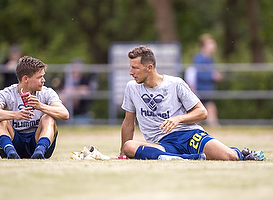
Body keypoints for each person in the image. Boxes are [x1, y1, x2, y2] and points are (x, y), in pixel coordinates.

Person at [119, 45, 265, 161]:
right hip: (161, 144)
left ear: (149, 68)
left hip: (188, 135)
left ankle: (241, 153)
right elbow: (128, 123)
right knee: (129, 146)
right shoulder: (132, 88)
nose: (131, 72)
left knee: (230, 157)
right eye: (131, 67)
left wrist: (178, 119)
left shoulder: (175, 83)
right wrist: (122, 154)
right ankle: (188, 158)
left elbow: (202, 112)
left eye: (135, 68)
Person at [0, 56, 69, 159]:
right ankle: (10, 152)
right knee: (0, 119)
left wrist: (40, 106)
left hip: (36, 140)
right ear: (26, 79)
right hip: (15, 141)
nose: (43, 80)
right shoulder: (7, 93)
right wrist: (15, 115)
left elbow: (65, 114)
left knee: (48, 118)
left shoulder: (47, 92)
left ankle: (39, 151)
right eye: (39, 77)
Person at [188, 34, 223, 126]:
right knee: (207, 109)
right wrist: (212, 76)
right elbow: (198, 74)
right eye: (211, 43)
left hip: (206, 89)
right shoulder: (199, 58)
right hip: (200, 89)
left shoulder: (210, 58)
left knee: (206, 109)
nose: (214, 46)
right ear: (204, 45)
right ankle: (214, 126)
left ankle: (214, 126)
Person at [60, 59, 98, 124]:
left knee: (73, 95)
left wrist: (73, 91)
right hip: (66, 103)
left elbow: (86, 91)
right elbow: (61, 91)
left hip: (81, 106)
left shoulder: (85, 79)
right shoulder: (66, 78)